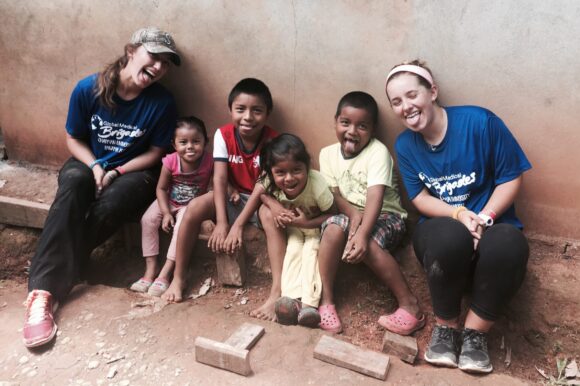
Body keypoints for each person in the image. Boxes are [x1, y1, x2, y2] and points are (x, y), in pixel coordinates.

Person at [24, 27, 181, 348]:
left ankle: (52, 277)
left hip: (135, 171)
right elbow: (74, 138)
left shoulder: (162, 102)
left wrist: (117, 170)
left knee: (113, 202)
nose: (159, 68)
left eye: (166, 63)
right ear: (131, 51)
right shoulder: (88, 89)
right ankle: (45, 290)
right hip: (89, 160)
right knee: (72, 182)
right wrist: (96, 166)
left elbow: (155, 153)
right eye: (154, 56)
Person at [385, 60, 531, 374]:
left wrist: (484, 217)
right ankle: (445, 329)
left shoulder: (480, 123)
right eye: (396, 102)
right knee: (451, 236)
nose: (406, 106)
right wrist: (460, 214)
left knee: (510, 244)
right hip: (443, 232)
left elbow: (510, 177)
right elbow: (420, 198)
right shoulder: (406, 145)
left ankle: (475, 335)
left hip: (492, 224)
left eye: (412, 95)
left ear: (432, 91)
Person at [317, 91, 424, 335]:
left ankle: (411, 306)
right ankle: (327, 302)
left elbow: (375, 198)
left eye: (362, 126)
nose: (352, 131)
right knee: (333, 227)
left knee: (370, 243)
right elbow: (334, 195)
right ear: (335, 122)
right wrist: (354, 217)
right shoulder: (327, 154)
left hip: (386, 214)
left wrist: (362, 234)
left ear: (373, 130)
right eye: (345, 123)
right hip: (351, 213)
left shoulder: (378, 152)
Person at [162, 78, 278, 303]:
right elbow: (220, 178)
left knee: (270, 217)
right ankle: (178, 277)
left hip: (259, 200)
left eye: (257, 111)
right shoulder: (223, 134)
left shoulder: (273, 140)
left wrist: (237, 226)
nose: (248, 117)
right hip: (230, 198)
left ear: (267, 113)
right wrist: (223, 223)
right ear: (230, 110)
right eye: (240, 109)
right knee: (194, 207)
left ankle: (276, 291)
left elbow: (261, 188)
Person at [255, 134, 336, 327]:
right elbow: (263, 194)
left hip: (314, 228)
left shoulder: (317, 186)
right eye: (281, 172)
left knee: (311, 253)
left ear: (307, 167)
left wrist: (306, 223)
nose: (289, 178)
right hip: (294, 231)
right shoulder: (270, 181)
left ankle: (309, 305)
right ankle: (288, 301)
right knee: (292, 252)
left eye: (296, 170)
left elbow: (333, 214)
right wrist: (273, 205)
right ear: (272, 173)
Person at [130, 116, 212, 297]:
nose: (190, 146)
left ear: (206, 142)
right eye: (183, 142)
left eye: (196, 142)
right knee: (148, 220)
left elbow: (219, 183)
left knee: (182, 227)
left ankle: (166, 273)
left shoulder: (209, 162)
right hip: (168, 200)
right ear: (174, 145)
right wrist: (166, 213)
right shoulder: (170, 162)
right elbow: (160, 189)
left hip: (189, 207)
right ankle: (150, 269)